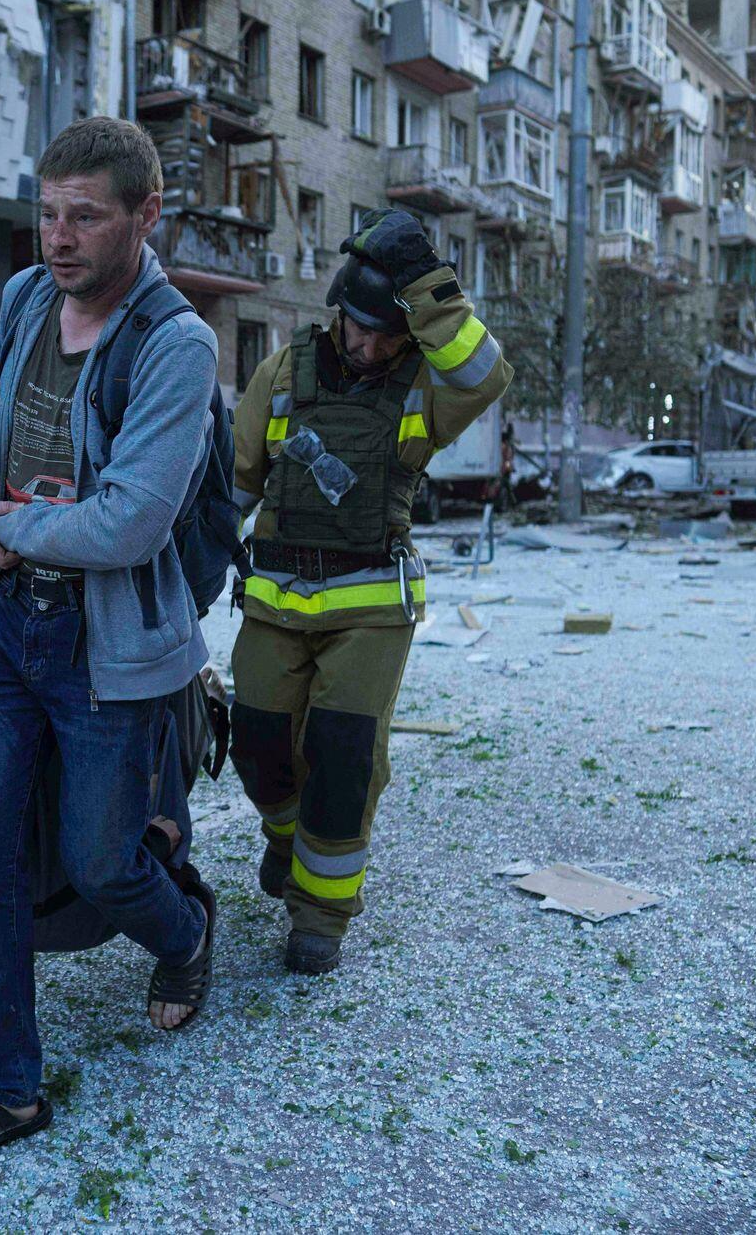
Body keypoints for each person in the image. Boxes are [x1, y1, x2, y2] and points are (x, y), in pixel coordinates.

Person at [0, 117, 219, 1171]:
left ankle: (184, 930)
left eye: (84, 216)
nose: (57, 236)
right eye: (46, 213)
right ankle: (6, 1086)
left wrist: (4, 524)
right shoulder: (22, 298)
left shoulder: (176, 344)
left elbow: (130, 522)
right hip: (5, 626)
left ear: (146, 213)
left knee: (99, 864)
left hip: (108, 645)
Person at [229, 209, 512, 974]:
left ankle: (320, 912)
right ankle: (286, 838)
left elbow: (487, 373)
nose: (371, 346)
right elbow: (236, 480)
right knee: (256, 741)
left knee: (343, 752)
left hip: (370, 607)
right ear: (338, 312)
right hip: (274, 598)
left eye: (389, 334)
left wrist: (429, 285)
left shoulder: (424, 386)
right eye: (361, 327)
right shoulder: (282, 372)